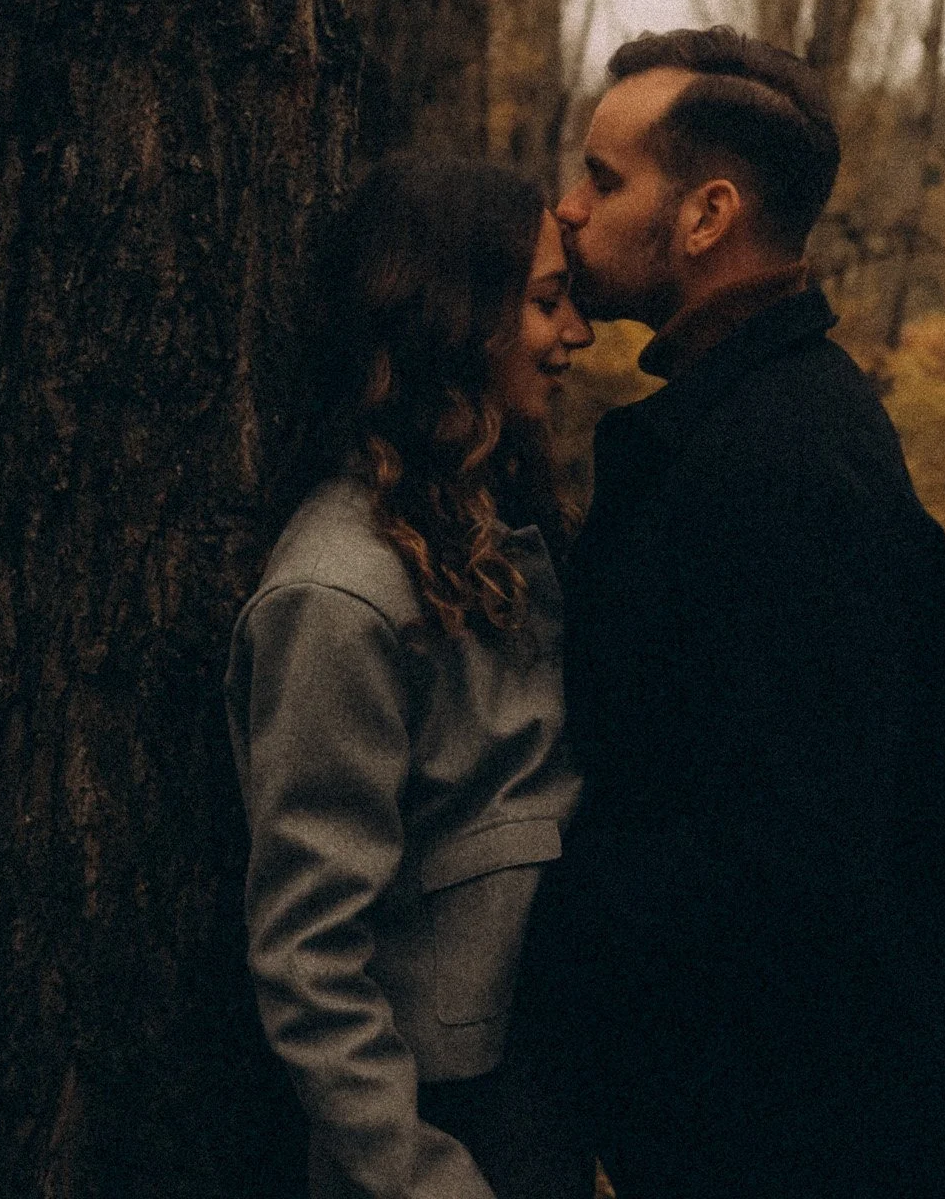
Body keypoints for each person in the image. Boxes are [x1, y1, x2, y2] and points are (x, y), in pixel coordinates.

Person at [521, 28, 945, 1199]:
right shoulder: (749, 422)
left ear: (706, 216)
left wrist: (530, 906)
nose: (571, 208)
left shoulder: (786, 464)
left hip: (816, 1142)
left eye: (603, 177)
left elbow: (785, 862)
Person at [225, 157, 594, 1199]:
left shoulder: (485, 538)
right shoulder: (340, 595)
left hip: (526, 1093)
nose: (578, 334)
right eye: (546, 301)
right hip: (444, 1125)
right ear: (456, 317)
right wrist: (423, 1176)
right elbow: (307, 953)